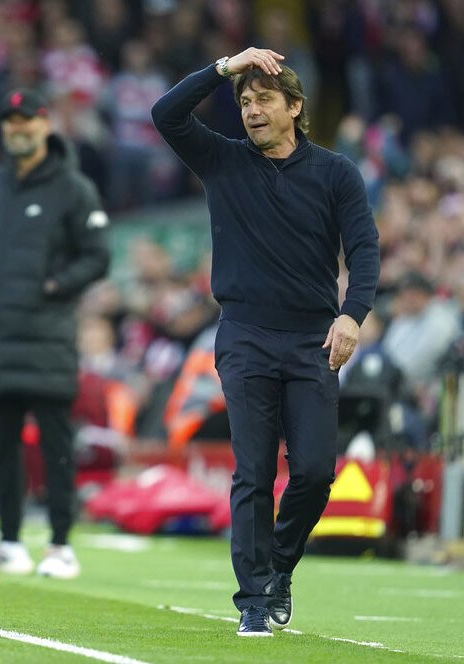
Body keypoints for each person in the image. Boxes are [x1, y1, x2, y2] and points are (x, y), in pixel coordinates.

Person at [152, 49, 380, 636]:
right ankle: (254, 597)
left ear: (295, 107)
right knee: (252, 470)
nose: (252, 111)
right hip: (245, 335)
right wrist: (225, 67)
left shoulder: (336, 173)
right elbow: (166, 113)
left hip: (312, 338)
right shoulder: (223, 160)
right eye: (245, 102)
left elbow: (364, 251)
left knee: (313, 473)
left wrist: (353, 314)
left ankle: (279, 567)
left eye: (264, 100)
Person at [0, 88, 111, 579]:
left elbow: (97, 256)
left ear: (46, 125)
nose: (17, 130)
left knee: (55, 444)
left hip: (46, 339)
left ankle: (61, 545)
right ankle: (8, 542)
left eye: (26, 121)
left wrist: (55, 285)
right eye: (10, 122)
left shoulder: (73, 188)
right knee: (1, 444)